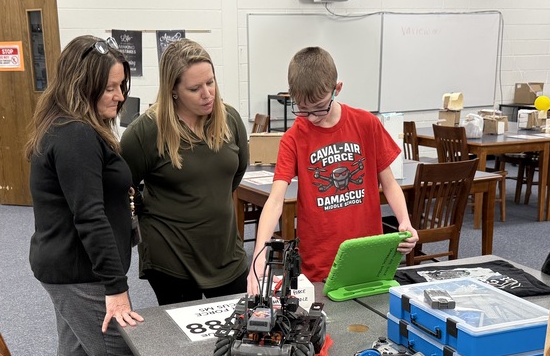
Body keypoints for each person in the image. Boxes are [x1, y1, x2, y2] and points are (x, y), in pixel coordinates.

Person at [27, 35, 143, 356]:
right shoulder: (75, 135)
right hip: (81, 273)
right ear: (82, 86)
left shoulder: (67, 126)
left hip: (62, 266)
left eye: (121, 85)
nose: (119, 95)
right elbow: (89, 216)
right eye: (109, 87)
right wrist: (116, 287)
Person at [249, 47, 417, 293]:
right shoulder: (293, 138)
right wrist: (258, 253)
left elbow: (389, 183)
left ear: (337, 89)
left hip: (367, 254)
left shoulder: (366, 124)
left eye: (319, 107)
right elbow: (275, 200)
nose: (312, 117)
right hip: (319, 263)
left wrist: (405, 221)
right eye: (302, 109)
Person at [120, 39, 250, 305]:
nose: (207, 94)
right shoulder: (146, 131)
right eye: (194, 88)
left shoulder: (230, 119)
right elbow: (123, 187)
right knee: (183, 343)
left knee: (237, 333)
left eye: (210, 82)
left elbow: (236, 175)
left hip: (225, 253)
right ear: (174, 90)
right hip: (171, 257)